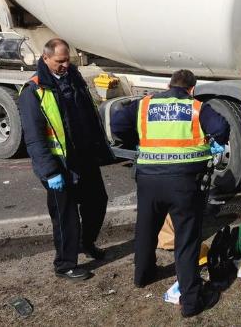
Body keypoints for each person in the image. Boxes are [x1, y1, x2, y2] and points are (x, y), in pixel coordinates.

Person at [111, 69, 229, 318]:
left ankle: (142, 276)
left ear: (168, 85)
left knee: (146, 229)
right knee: (186, 240)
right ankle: (191, 302)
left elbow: (117, 123)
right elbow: (221, 126)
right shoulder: (196, 107)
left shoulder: (145, 104)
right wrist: (214, 140)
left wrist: (137, 139)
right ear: (192, 88)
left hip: (149, 180)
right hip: (184, 184)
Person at [19, 38, 114, 281]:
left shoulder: (74, 78)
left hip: (84, 157)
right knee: (66, 217)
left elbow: (88, 116)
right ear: (46, 58)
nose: (64, 65)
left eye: (67, 60)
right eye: (59, 61)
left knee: (97, 202)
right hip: (59, 165)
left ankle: (86, 242)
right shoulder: (34, 90)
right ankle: (64, 264)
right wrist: (49, 172)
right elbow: (34, 137)